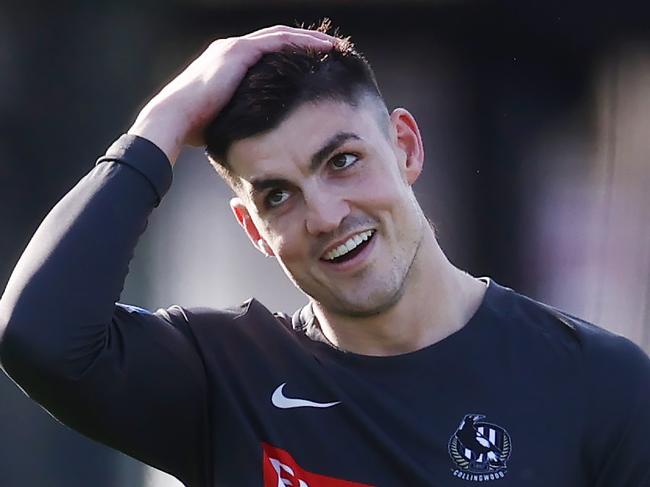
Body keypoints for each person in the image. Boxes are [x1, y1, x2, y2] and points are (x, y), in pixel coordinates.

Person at [0, 21, 648, 487]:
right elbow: (39, 334)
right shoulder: (226, 381)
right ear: (253, 230)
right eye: (278, 196)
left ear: (406, 147)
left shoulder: (597, 381)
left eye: (343, 161)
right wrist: (164, 121)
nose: (326, 216)